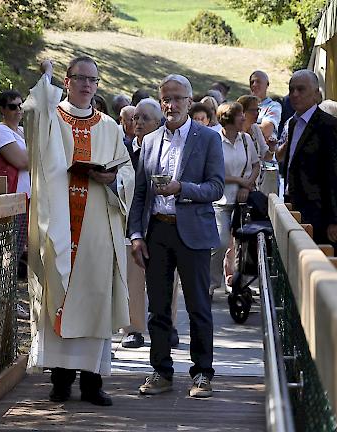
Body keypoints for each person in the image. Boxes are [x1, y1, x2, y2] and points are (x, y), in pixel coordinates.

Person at [23, 56, 135, 406]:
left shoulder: (110, 127)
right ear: (68, 81)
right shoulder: (51, 118)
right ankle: (60, 381)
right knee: (60, 294)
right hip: (60, 221)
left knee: (94, 298)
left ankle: (92, 383)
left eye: (93, 80)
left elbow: (127, 171)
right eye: (80, 78)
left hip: (97, 225)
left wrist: (112, 178)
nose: (87, 85)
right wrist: (45, 76)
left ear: (98, 85)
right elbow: (32, 116)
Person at [128, 74, 224, 398]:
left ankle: (202, 374)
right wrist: (137, 236)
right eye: (166, 98)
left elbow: (216, 186)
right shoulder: (150, 141)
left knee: (198, 306)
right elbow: (140, 194)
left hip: (193, 231)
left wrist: (182, 188)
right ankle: (161, 371)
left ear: (190, 100)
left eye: (178, 98)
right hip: (157, 231)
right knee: (158, 307)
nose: (171, 104)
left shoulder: (208, 138)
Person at [281, 70, 337, 256]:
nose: (294, 94)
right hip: (294, 208)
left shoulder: (329, 126)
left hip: (319, 216)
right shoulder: (294, 123)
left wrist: (335, 219)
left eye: (301, 89)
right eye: (291, 89)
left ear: (316, 94)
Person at [121, 98, 163, 349]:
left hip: (161, 219)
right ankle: (133, 328)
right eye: (135, 117)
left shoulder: (167, 147)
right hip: (129, 219)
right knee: (132, 277)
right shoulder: (123, 148)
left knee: (166, 275)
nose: (138, 122)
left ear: (158, 123)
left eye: (145, 118)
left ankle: (166, 326)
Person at [210, 102, 260, 292]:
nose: (244, 119)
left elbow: (256, 165)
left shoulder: (246, 139)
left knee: (242, 245)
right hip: (220, 200)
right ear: (229, 119)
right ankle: (211, 283)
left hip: (242, 200)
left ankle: (239, 282)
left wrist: (247, 184)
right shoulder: (214, 140)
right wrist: (240, 180)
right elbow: (212, 172)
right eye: (240, 115)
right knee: (220, 243)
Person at [0, 90, 32, 317]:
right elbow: (23, 161)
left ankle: (10, 299)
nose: (17, 111)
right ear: (2, 109)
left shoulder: (23, 132)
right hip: (12, 201)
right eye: (12, 107)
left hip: (27, 200)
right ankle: (5, 301)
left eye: (20, 106)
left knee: (19, 252)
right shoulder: (1, 131)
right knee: (11, 252)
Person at [249, 70, 282, 141]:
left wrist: (243, 126)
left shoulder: (273, 106)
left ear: (267, 85)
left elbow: (265, 131)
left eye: (258, 82)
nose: (254, 85)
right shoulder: (243, 106)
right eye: (252, 82)